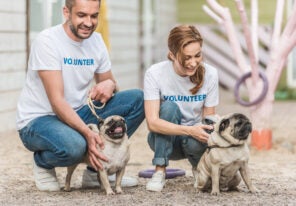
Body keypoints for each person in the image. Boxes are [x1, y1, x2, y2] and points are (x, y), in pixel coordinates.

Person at [16, 0, 144, 192]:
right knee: (76, 147)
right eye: (82, 15)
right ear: (66, 12)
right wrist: (88, 134)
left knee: (137, 99)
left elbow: (110, 90)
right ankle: (43, 163)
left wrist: (110, 84)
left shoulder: (97, 41)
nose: (89, 22)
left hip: (78, 112)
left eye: (94, 16)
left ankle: (96, 171)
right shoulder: (47, 41)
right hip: (39, 120)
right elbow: (57, 102)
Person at [143, 25, 219, 192]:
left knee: (205, 128)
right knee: (169, 107)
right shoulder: (155, 74)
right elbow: (153, 123)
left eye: (197, 55)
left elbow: (209, 121)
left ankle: (199, 168)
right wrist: (189, 130)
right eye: (186, 58)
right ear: (172, 55)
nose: (193, 63)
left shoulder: (211, 74)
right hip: (165, 141)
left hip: (195, 141)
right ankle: (160, 170)